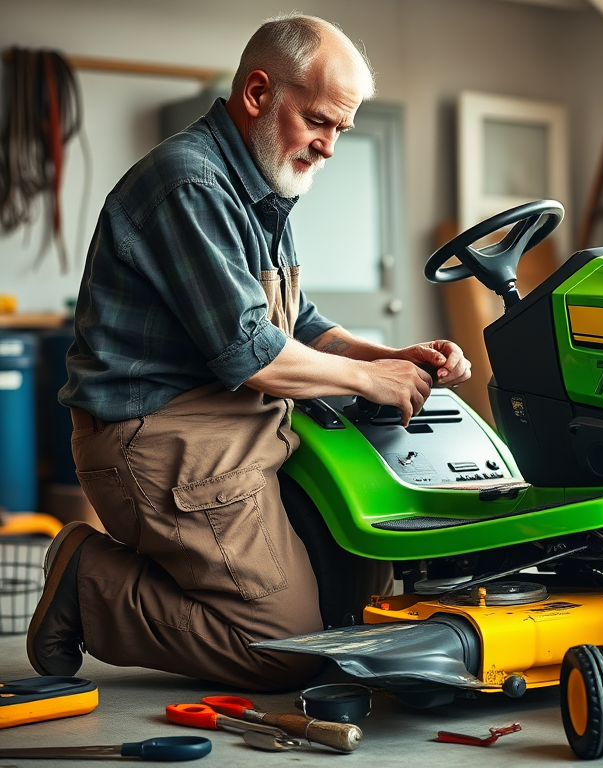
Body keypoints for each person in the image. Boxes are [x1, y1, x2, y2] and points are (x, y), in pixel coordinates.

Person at [26, 13, 470, 691]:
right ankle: (89, 582)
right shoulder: (190, 184)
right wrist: (367, 380)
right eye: (319, 122)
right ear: (258, 93)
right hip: (160, 440)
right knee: (289, 652)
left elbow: (301, 320)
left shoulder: (259, 188)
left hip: (247, 427)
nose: (328, 147)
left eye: (340, 132)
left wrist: (391, 355)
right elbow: (252, 353)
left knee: (355, 602)